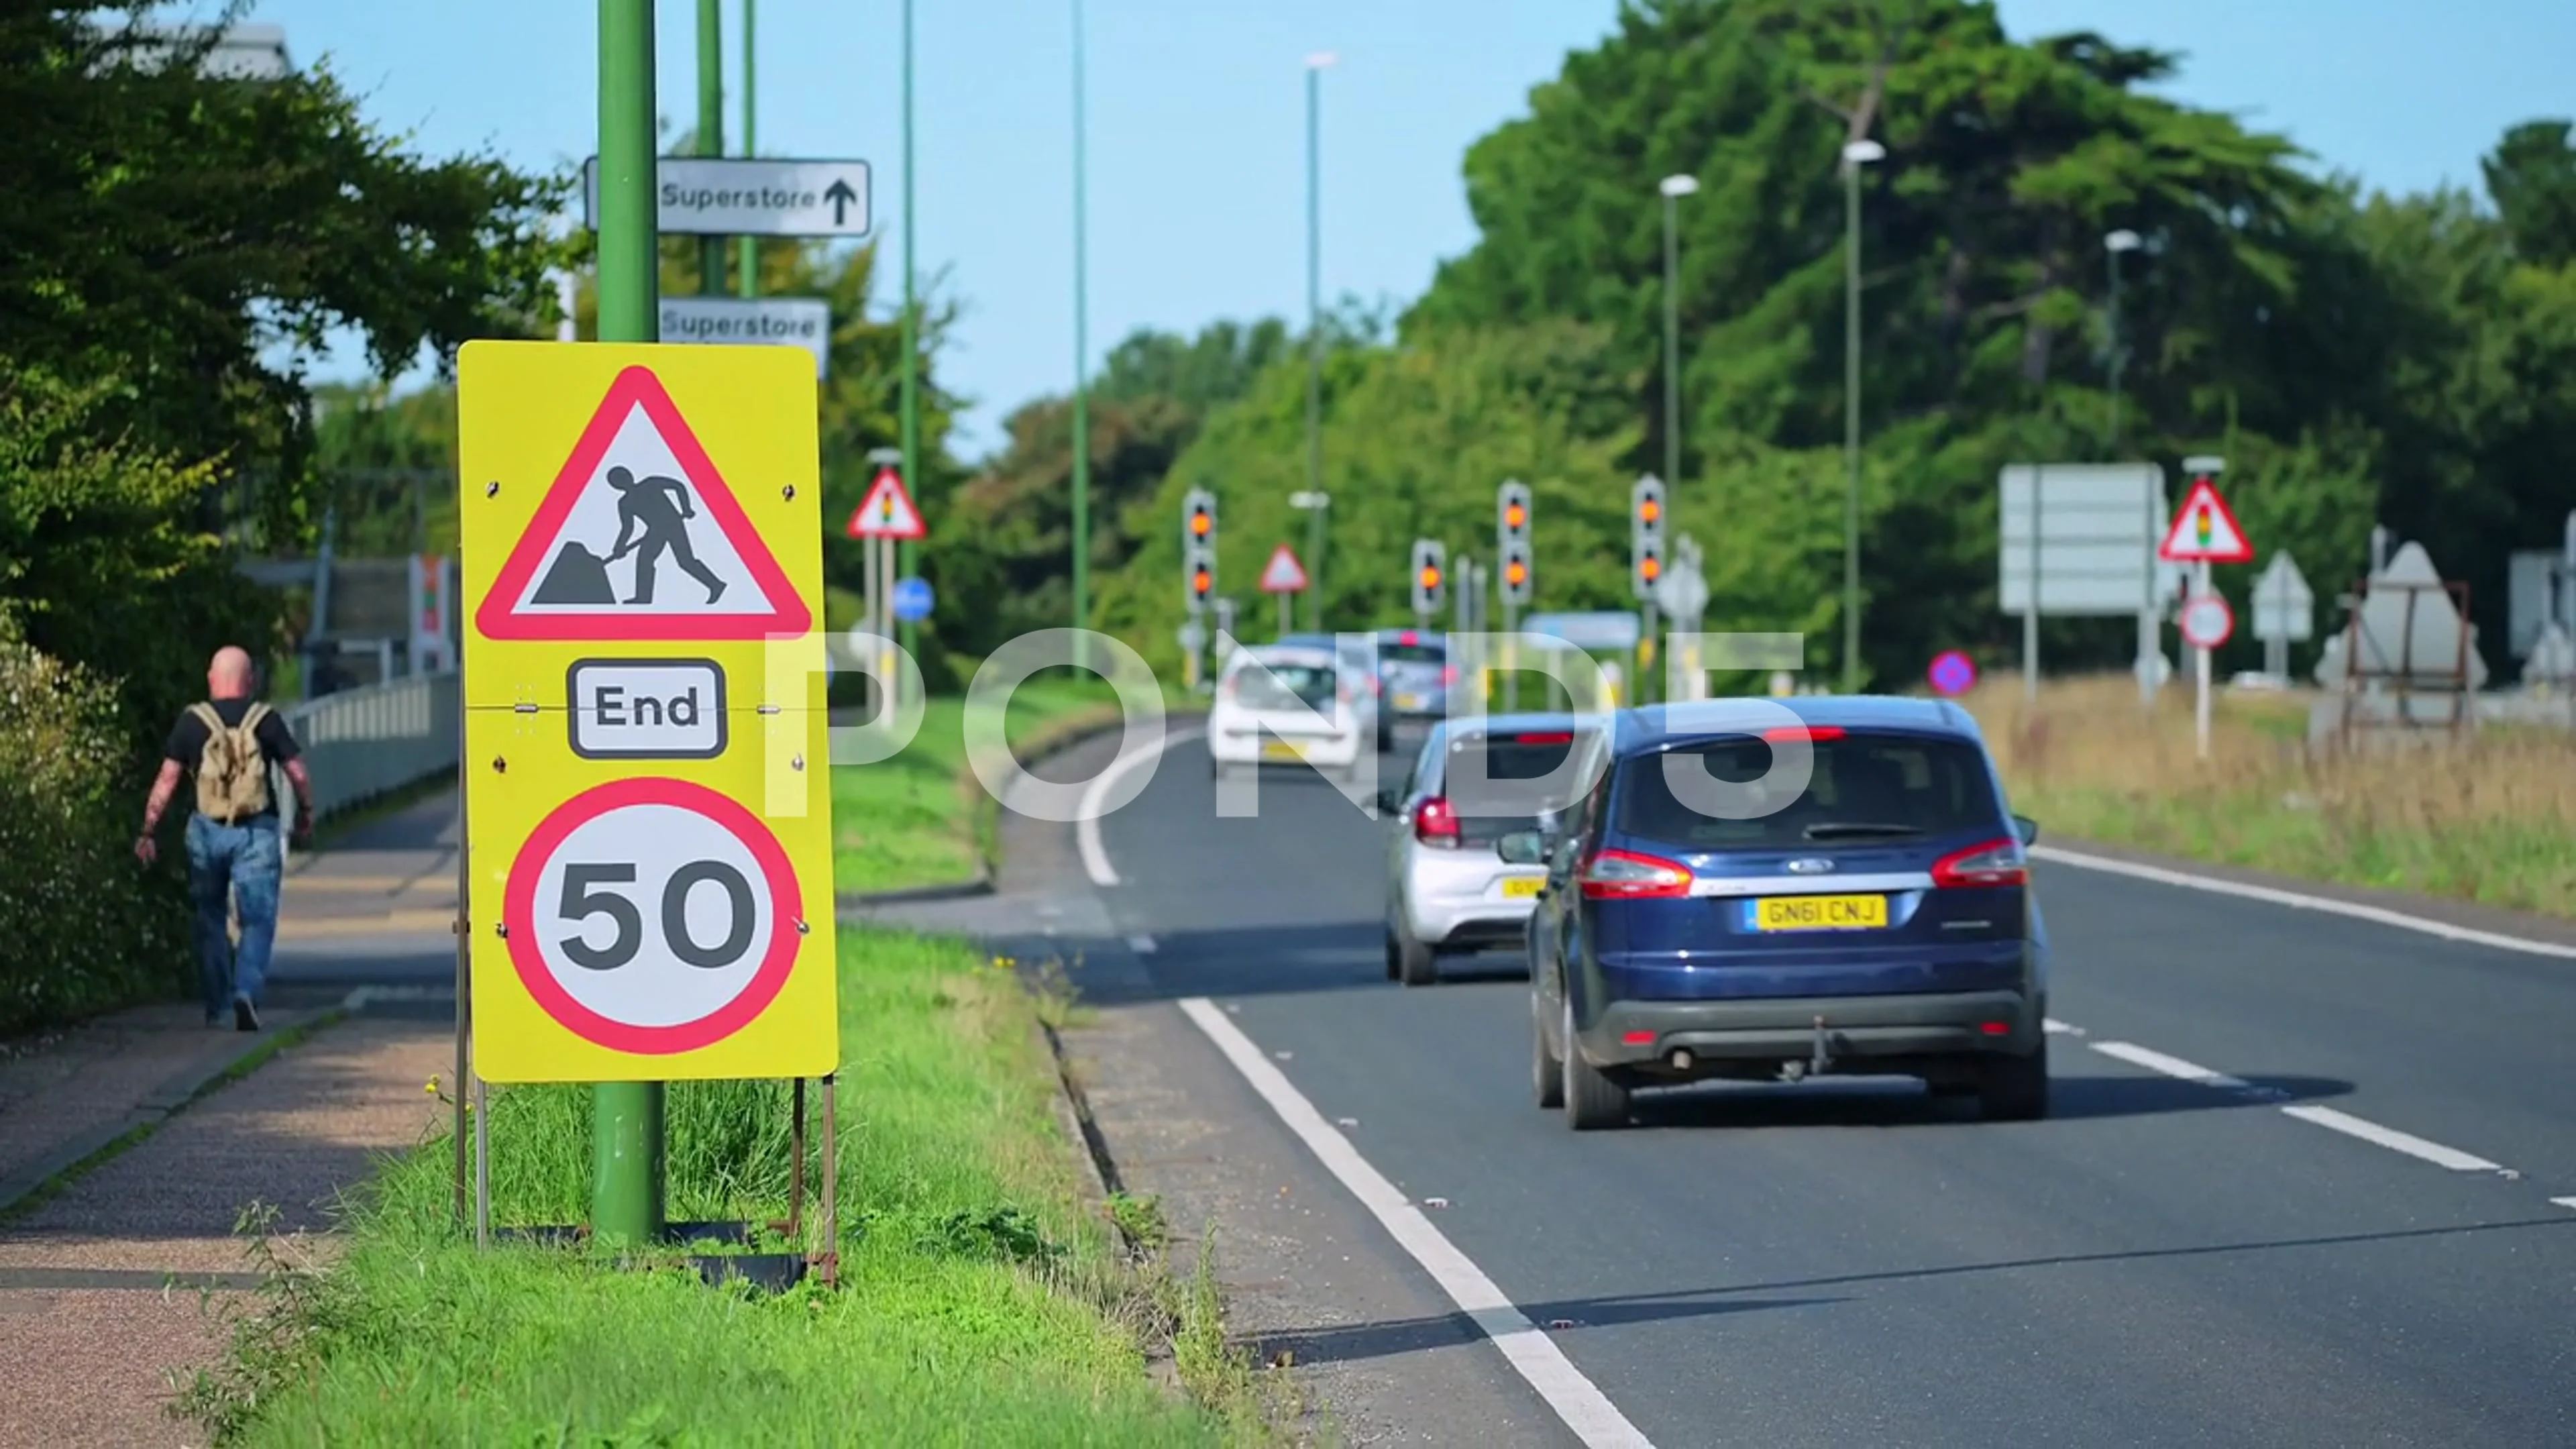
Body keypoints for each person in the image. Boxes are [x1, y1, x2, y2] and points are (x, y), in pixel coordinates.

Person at [134, 647, 314, 1031]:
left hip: (206, 831)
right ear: (250, 681)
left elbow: (166, 781)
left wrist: (149, 830)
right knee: (258, 920)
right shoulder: (265, 720)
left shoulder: (191, 722)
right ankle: (245, 990)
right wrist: (306, 814)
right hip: (257, 831)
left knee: (210, 917)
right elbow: (297, 773)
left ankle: (216, 1008)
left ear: (211, 678)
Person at [604, 465, 727, 606]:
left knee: (685, 561)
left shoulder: (651, 483)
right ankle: (643, 597)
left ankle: (716, 585)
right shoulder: (625, 503)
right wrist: (619, 546)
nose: (624, 482)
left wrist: (686, 508)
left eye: (624, 478)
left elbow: (678, 486)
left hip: (673, 524)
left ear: (630, 476)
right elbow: (628, 527)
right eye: (619, 482)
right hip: (655, 531)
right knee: (644, 559)